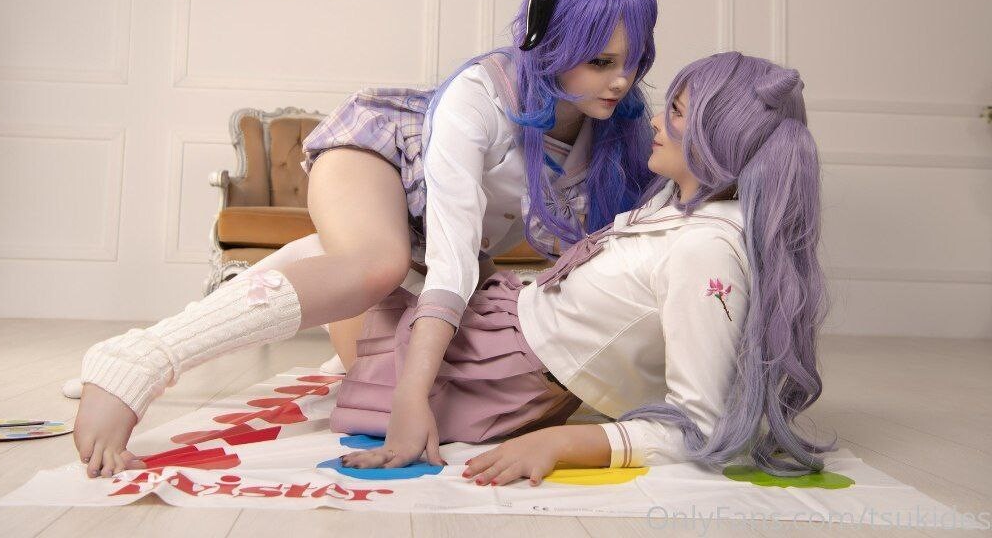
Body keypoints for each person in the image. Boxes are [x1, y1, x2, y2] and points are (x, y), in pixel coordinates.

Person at [73, 0, 661, 478]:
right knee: (378, 263)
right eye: (600, 62)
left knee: (403, 344)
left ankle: (322, 267)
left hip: (431, 241)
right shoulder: (479, 97)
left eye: (632, 62)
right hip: (380, 157)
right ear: (552, 45)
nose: (621, 81)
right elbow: (454, 260)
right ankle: (135, 361)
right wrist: (410, 397)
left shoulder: (619, 133)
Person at [337, 51, 838, 484]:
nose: (656, 122)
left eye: (677, 112)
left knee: (360, 309)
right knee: (379, 281)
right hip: (501, 318)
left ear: (719, 138)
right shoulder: (675, 203)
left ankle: (324, 260)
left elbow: (700, 428)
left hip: (494, 374)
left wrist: (562, 443)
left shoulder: (706, 250)